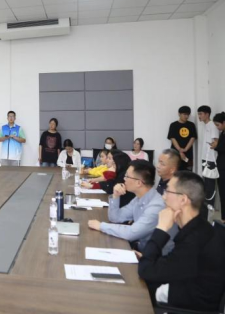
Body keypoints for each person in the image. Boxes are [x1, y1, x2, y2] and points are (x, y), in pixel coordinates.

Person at [137, 171, 225, 311]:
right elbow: (175, 263)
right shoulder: (199, 228)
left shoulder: (195, 239)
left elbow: (146, 271)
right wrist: (149, 257)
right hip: (182, 290)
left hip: (186, 306)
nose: (163, 197)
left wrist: (161, 228)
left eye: (168, 191)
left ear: (183, 199)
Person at [88, 160, 166, 252]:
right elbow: (115, 218)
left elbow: (132, 233)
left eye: (127, 176)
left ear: (139, 183)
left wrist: (101, 226)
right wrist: (115, 196)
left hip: (156, 256)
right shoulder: (138, 198)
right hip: (141, 249)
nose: (124, 179)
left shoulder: (156, 206)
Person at [198, 106, 220, 206]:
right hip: (205, 158)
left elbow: (216, 142)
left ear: (207, 114)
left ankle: (210, 206)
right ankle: (207, 205)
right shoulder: (206, 125)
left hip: (211, 159)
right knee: (206, 183)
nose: (199, 116)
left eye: (201, 114)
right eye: (198, 114)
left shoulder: (212, 126)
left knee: (210, 184)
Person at [167, 106, 197, 170]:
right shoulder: (173, 125)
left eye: (188, 115)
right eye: (184, 114)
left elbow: (192, 138)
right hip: (175, 153)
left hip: (188, 153)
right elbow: (172, 138)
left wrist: (185, 149)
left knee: (188, 172)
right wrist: (180, 151)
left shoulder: (191, 125)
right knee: (175, 171)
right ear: (179, 114)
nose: (186, 116)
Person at [211, 112, 225, 221]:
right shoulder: (223, 132)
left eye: (218, 125)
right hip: (221, 165)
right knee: (222, 192)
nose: (217, 127)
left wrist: (216, 146)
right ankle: (224, 217)